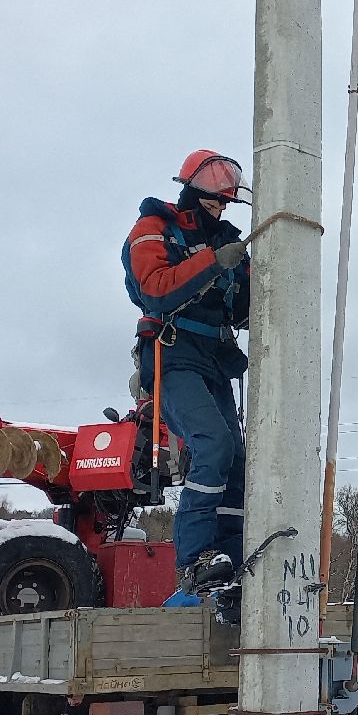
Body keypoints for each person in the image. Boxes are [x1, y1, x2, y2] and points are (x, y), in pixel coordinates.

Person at [122, 149, 252, 592]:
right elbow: (155, 289)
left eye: (226, 202)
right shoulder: (154, 230)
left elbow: (241, 310)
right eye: (215, 199)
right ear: (192, 191)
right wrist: (215, 262)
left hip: (214, 360)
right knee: (213, 444)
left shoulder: (226, 240)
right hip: (172, 357)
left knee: (236, 459)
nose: (221, 208)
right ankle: (196, 558)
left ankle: (233, 552)